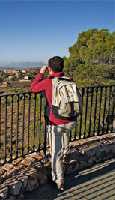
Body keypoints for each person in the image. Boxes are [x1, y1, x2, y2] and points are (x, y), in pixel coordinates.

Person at [30, 56, 81, 191]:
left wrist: (41, 73)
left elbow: (33, 88)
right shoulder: (69, 80)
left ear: (50, 68)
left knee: (55, 153)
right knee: (64, 140)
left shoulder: (49, 82)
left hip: (55, 122)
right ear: (62, 67)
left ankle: (59, 180)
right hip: (71, 120)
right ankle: (66, 156)